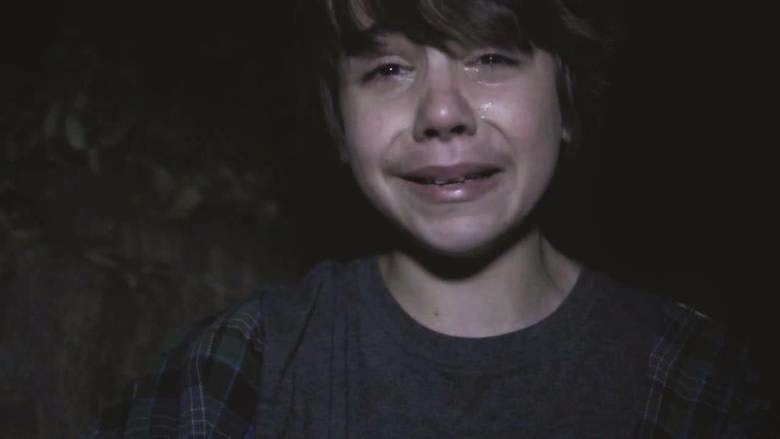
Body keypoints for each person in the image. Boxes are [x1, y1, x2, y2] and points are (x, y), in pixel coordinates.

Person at [86, 0, 777, 437]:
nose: (441, 112)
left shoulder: (696, 382)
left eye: (491, 58)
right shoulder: (239, 372)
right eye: (388, 69)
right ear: (339, 116)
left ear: (566, 94)